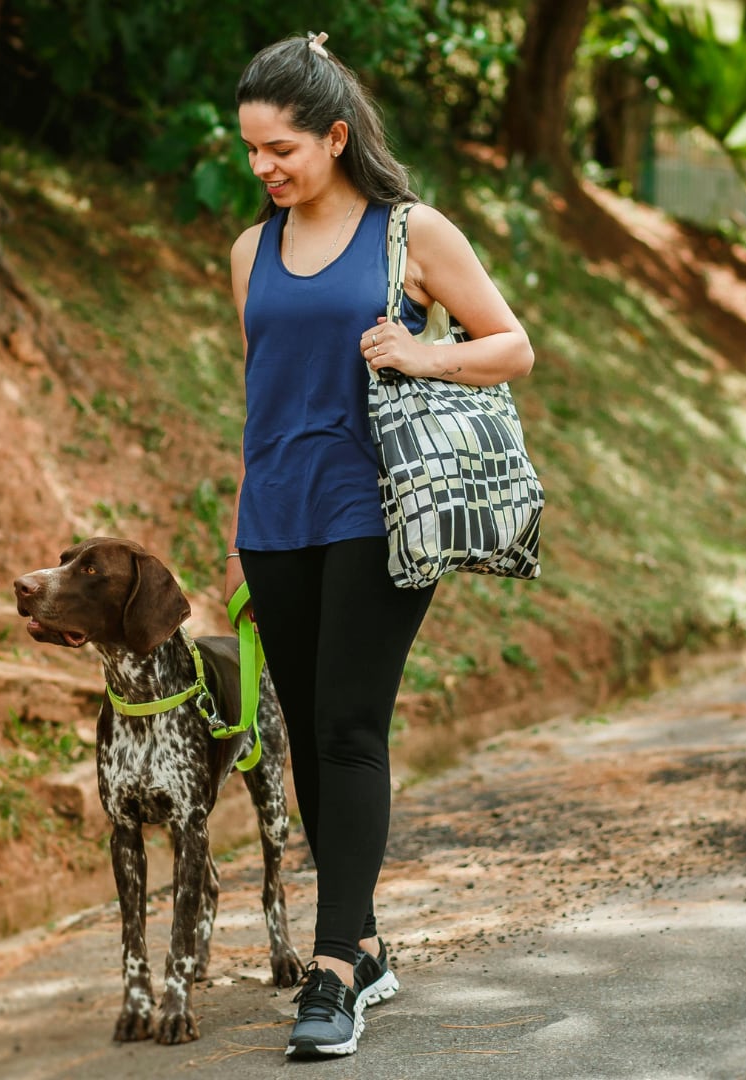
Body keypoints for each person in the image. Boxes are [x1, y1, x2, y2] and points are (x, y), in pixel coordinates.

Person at [222, 30, 535, 1060]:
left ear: (336, 136)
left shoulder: (410, 233)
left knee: (350, 723)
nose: (265, 169)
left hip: (378, 509)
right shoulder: (248, 252)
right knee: (308, 735)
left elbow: (512, 345)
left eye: (283, 150)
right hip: (278, 516)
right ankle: (363, 938)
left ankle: (335, 973)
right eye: (254, 151)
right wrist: (238, 530)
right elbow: (262, 397)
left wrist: (423, 350)